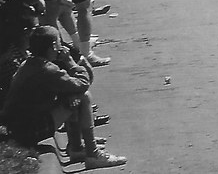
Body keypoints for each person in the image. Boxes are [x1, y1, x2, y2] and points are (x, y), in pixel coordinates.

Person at [0, 25, 126, 169]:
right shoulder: (46, 69)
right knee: (83, 97)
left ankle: (76, 148)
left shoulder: (29, 63)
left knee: (72, 96)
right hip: (28, 130)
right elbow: (83, 83)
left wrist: (70, 94)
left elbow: (65, 87)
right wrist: (71, 62)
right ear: (54, 46)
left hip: (17, 126)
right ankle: (93, 154)